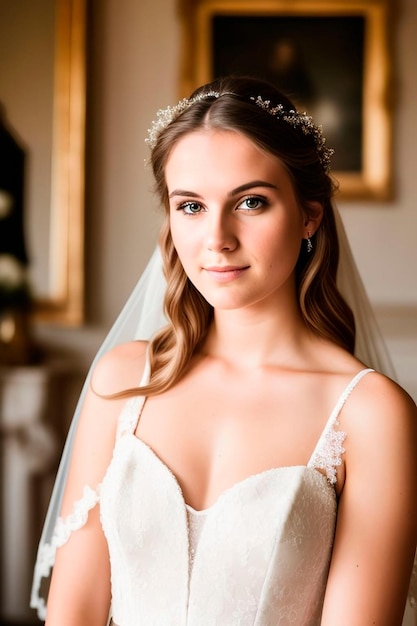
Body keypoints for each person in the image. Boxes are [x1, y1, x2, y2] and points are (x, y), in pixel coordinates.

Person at [31, 76, 417, 625]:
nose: (217, 238)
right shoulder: (121, 382)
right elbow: (72, 615)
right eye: (191, 206)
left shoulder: (371, 414)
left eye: (251, 202)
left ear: (310, 215)